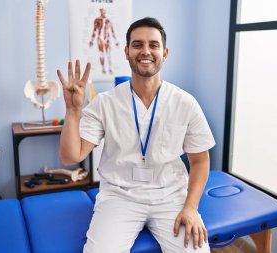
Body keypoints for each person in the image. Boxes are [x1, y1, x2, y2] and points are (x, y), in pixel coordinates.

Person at [57, 17, 215, 253]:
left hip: (170, 197)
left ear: (165, 52)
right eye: (138, 44)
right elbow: (70, 157)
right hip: (120, 197)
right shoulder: (105, 103)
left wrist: (191, 207)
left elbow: (200, 161)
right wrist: (72, 110)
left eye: (153, 45)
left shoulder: (185, 102)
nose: (146, 51)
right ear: (127, 51)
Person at [89, 8, 119, 75]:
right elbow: (94, 30)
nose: (104, 12)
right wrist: (91, 40)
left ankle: (110, 68)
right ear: (100, 12)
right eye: (102, 11)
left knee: (108, 54)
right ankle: (103, 68)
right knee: (101, 54)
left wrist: (116, 41)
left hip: (107, 39)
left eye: (104, 11)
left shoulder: (108, 20)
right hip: (100, 39)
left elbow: (112, 31)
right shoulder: (97, 20)